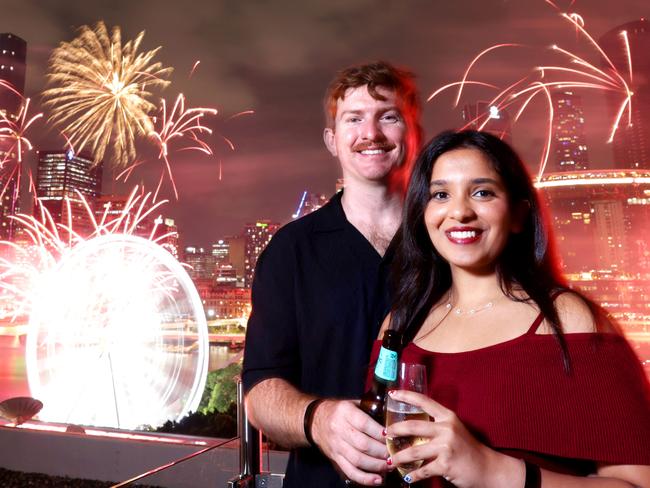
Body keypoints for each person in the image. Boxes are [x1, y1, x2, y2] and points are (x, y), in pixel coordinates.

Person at [374, 130, 650, 487]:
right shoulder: (400, 324)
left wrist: (493, 471)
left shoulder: (571, 323)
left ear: (519, 215)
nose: (459, 211)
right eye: (441, 194)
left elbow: (637, 482)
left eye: (482, 192)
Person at [242, 61, 423, 487]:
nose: (371, 134)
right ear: (332, 140)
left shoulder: (447, 242)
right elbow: (260, 389)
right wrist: (318, 419)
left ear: (412, 135)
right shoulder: (290, 251)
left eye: (389, 117)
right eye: (354, 119)